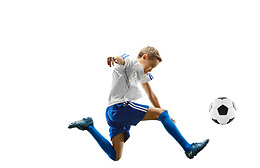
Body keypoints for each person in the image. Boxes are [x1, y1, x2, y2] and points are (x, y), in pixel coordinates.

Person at [68, 46, 209, 161]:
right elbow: (122, 60)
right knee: (162, 114)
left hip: (112, 112)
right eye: (152, 66)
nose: (151, 70)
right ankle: (188, 148)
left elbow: (150, 94)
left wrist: (164, 116)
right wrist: (115, 59)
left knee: (115, 155)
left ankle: (89, 126)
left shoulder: (140, 73)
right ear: (144, 57)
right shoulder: (131, 63)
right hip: (120, 107)